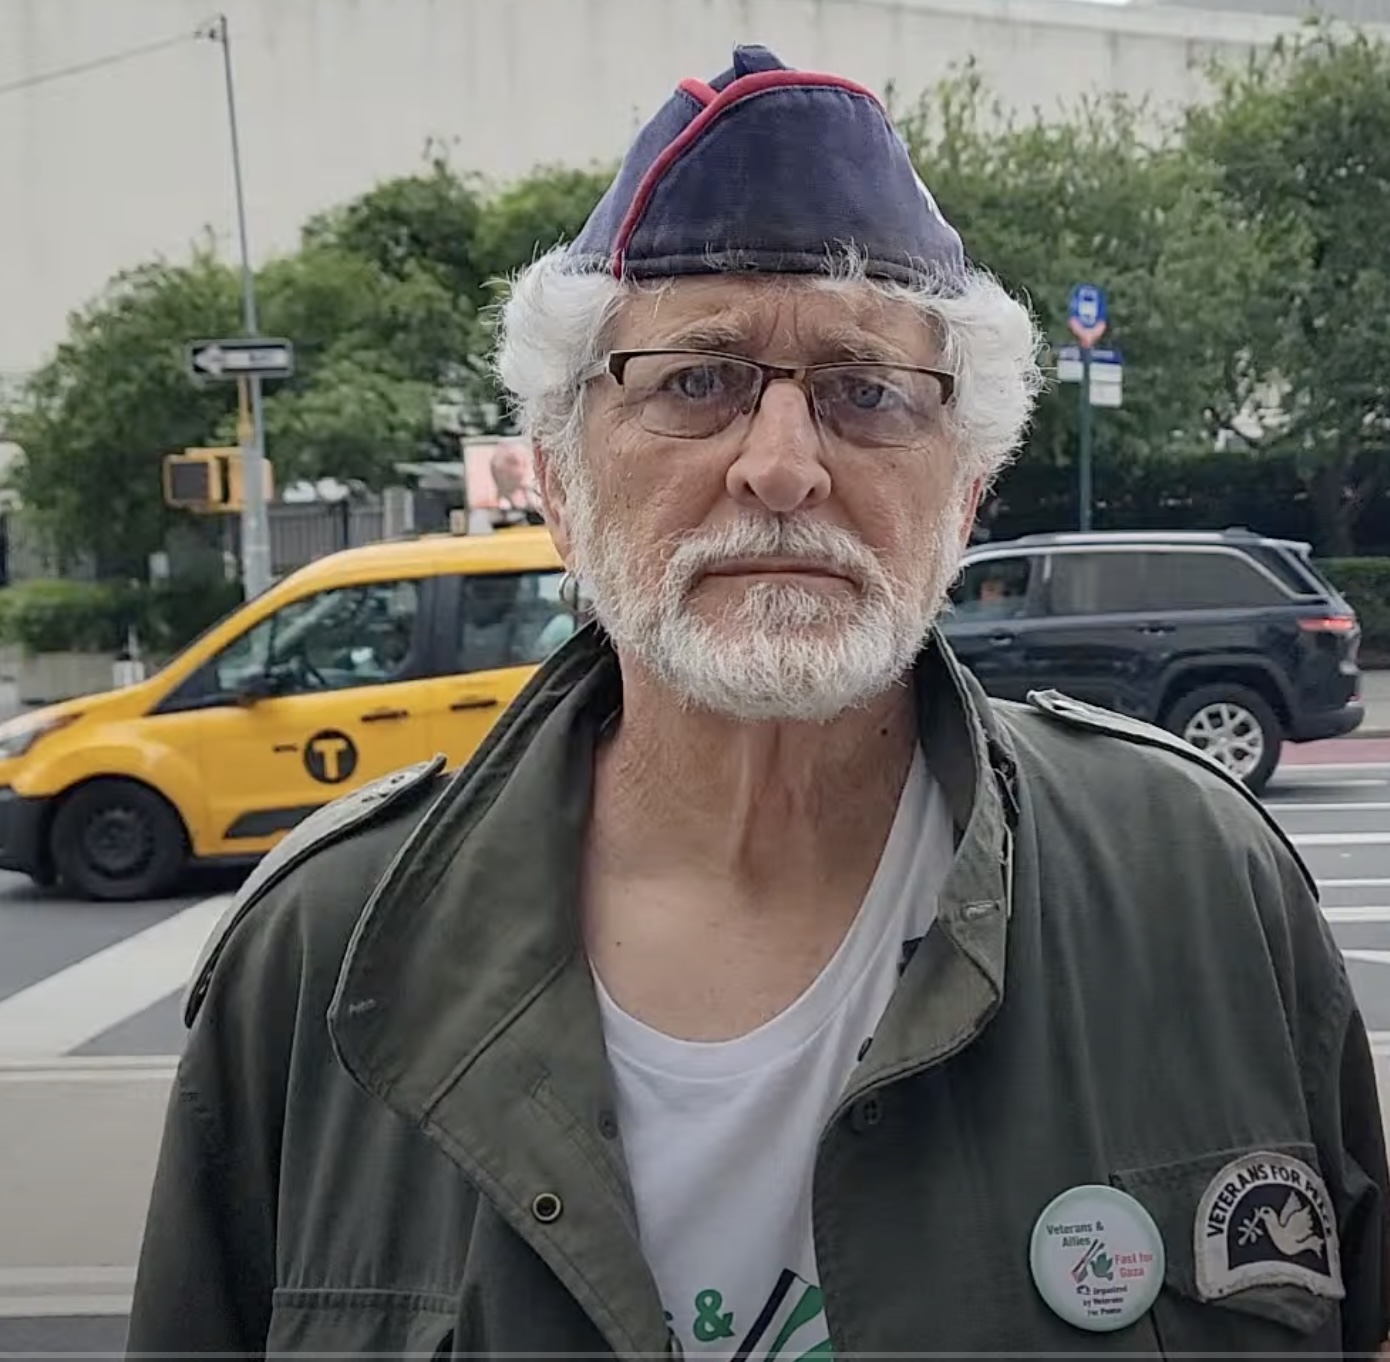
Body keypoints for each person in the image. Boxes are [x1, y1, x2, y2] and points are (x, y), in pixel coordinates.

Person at [125, 43, 1389, 1359]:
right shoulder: (326, 957)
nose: (781, 468)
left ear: (964, 493)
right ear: (558, 485)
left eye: (867, 392)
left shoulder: (1197, 882)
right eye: (695, 380)